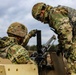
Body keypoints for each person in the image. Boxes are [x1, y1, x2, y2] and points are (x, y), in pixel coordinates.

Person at [32, 2, 76, 75]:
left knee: (72, 60)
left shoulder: (54, 14)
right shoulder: (54, 14)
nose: (40, 20)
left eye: (38, 17)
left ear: (42, 11)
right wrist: (60, 47)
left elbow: (66, 32)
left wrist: (67, 50)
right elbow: (62, 34)